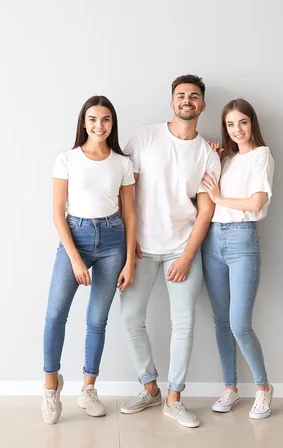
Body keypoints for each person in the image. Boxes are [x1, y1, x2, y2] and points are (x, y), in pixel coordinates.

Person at [119, 75, 221, 428]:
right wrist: (129, 244)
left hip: (183, 246)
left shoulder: (208, 153)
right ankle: (150, 389)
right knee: (131, 319)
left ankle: (174, 397)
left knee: (185, 323)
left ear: (203, 105)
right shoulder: (145, 137)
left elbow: (206, 209)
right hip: (141, 248)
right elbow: (123, 189)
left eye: (194, 96)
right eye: (181, 95)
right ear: (172, 102)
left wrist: (187, 256)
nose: (187, 100)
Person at [41, 95, 136, 424]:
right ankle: (51, 388)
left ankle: (88, 388)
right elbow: (57, 215)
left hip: (113, 241)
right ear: (83, 122)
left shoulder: (122, 163)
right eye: (93, 119)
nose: (100, 125)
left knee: (97, 320)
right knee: (55, 314)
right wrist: (76, 259)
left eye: (106, 119)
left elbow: (131, 214)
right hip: (75, 238)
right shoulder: (66, 159)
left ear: (113, 124)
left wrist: (130, 261)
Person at [201, 98, 275, 419]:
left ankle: (262, 389)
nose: (237, 130)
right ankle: (230, 387)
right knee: (220, 321)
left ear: (252, 123)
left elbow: (257, 202)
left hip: (243, 238)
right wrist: (213, 157)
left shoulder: (262, 155)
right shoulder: (226, 159)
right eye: (231, 125)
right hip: (212, 239)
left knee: (239, 324)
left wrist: (219, 198)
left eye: (242, 123)